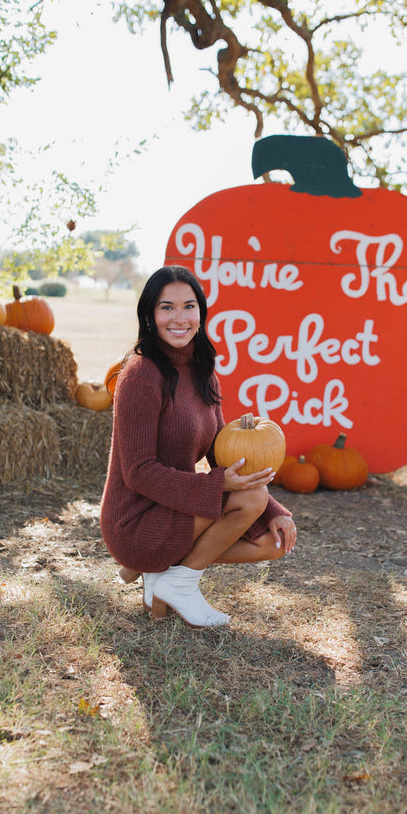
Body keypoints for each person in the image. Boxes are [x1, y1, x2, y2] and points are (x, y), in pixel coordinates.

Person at [99, 265, 297, 628]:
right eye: (166, 307)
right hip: (135, 519)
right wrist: (218, 485)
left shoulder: (203, 371)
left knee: (272, 542)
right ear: (149, 315)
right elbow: (138, 473)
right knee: (249, 499)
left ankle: (165, 574)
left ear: (201, 313)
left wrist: (275, 512)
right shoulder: (140, 376)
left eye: (189, 306)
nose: (179, 317)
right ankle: (178, 580)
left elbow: (222, 454)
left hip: (176, 509)